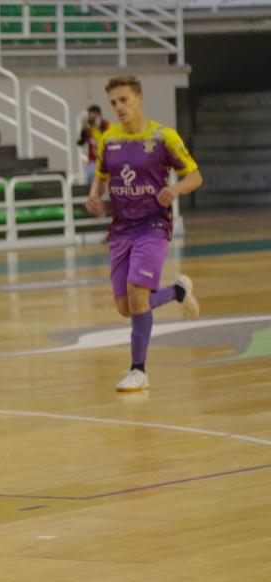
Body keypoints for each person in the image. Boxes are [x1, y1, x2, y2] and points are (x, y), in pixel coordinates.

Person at [85, 75, 203, 393]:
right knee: (125, 307)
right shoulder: (108, 139)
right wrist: (94, 194)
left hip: (153, 226)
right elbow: (102, 173)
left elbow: (194, 176)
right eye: (113, 103)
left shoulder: (164, 137)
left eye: (123, 100)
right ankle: (178, 292)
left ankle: (139, 370)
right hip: (121, 230)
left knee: (138, 295)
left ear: (139, 98)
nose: (118, 107)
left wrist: (174, 189)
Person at [77, 104, 110, 186]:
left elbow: (106, 141)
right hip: (93, 161)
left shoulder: (106, 126)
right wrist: (83, 131)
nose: (92, 120)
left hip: (107, 159)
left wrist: (96, 129)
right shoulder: (88, 128)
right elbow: (79, 143)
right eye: (90, 117)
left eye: (94, 117)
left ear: (99, 115)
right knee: (90, 173)